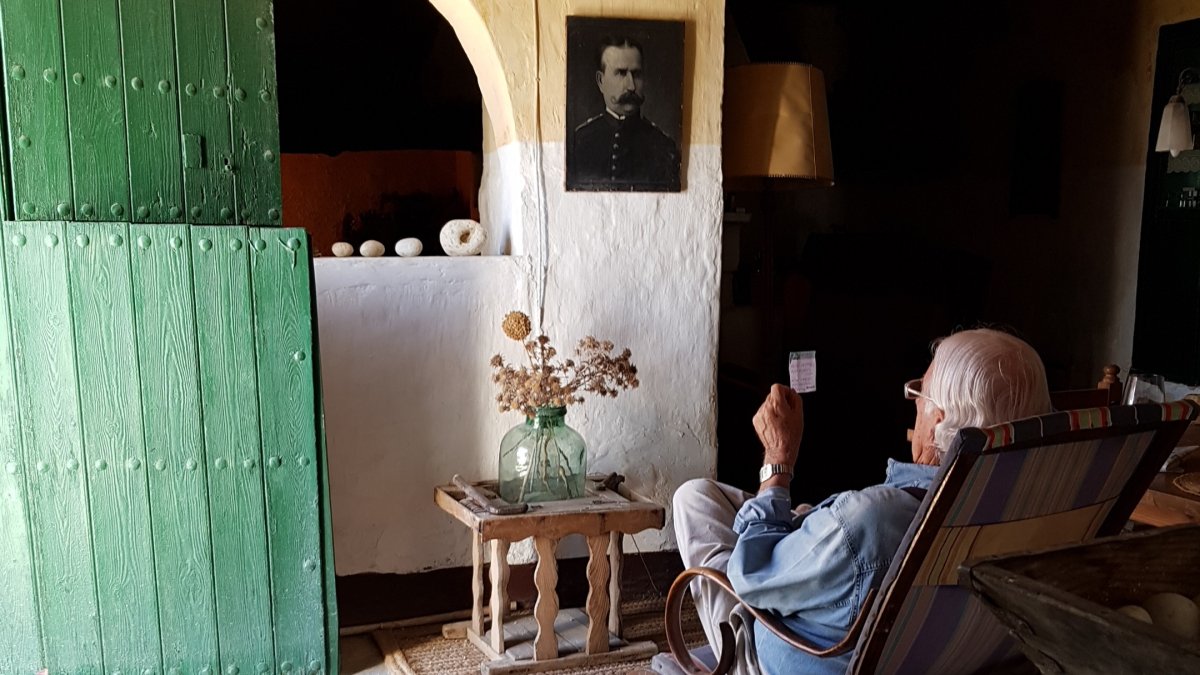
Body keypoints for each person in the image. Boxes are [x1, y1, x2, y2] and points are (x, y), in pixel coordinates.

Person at [672, 329, 1053, 674]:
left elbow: (751, 576)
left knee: (692, 501)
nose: (913, 404)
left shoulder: (872, 521)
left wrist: (778, 460)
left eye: (918, 393)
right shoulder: (1049, 514)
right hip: (943, 652)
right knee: (712, 497)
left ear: (938, 421)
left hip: (780, 655)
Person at [568, 35, 680, 191]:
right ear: (601, 81)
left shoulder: (663, 146)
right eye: (621, 73)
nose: (631, 86)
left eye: (637, 74)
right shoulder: (578, 142)